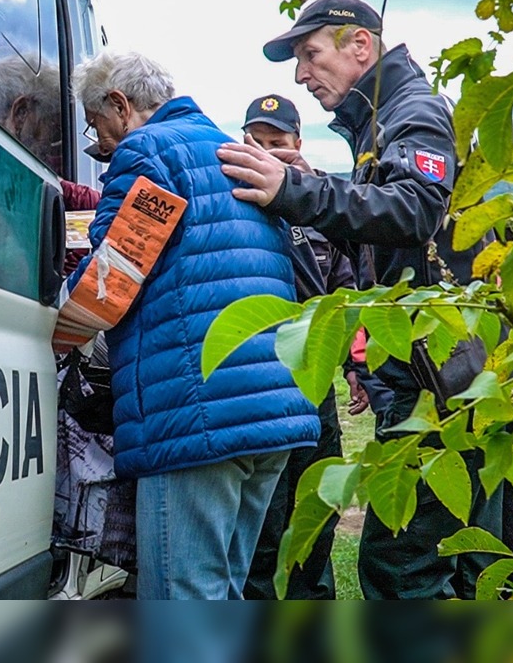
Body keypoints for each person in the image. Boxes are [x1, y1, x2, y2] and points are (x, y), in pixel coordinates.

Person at [216, 0, 499, 600]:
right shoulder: (382, 119)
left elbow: (417, 209)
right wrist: (320, 181)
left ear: (360, 46)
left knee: (402, 569)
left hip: (440, 386)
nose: (300, 74)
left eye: (310, 55)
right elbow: (389, 222)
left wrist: (295, 191)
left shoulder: (414, 109)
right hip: (432, 376)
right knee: (452, 563)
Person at [63, 51, 320, 600]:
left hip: (198, 417)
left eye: (97, 124)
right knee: (225, 592)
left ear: (120, 105)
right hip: (270, 407)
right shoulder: (231, 150)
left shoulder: (148, 152)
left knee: (184, 600)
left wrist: (55, 325)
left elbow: (113, 279)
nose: (99, 141)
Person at [238, 94, 354, 600]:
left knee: (315, 512)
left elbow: (349, 287)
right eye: (255, 143)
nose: (266, 153)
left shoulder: (323, 202)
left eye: (277, 144)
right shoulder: (232, 197)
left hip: (312, 383)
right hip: (259, 381)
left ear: (299, 144)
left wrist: (356, 367)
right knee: (264, 523)